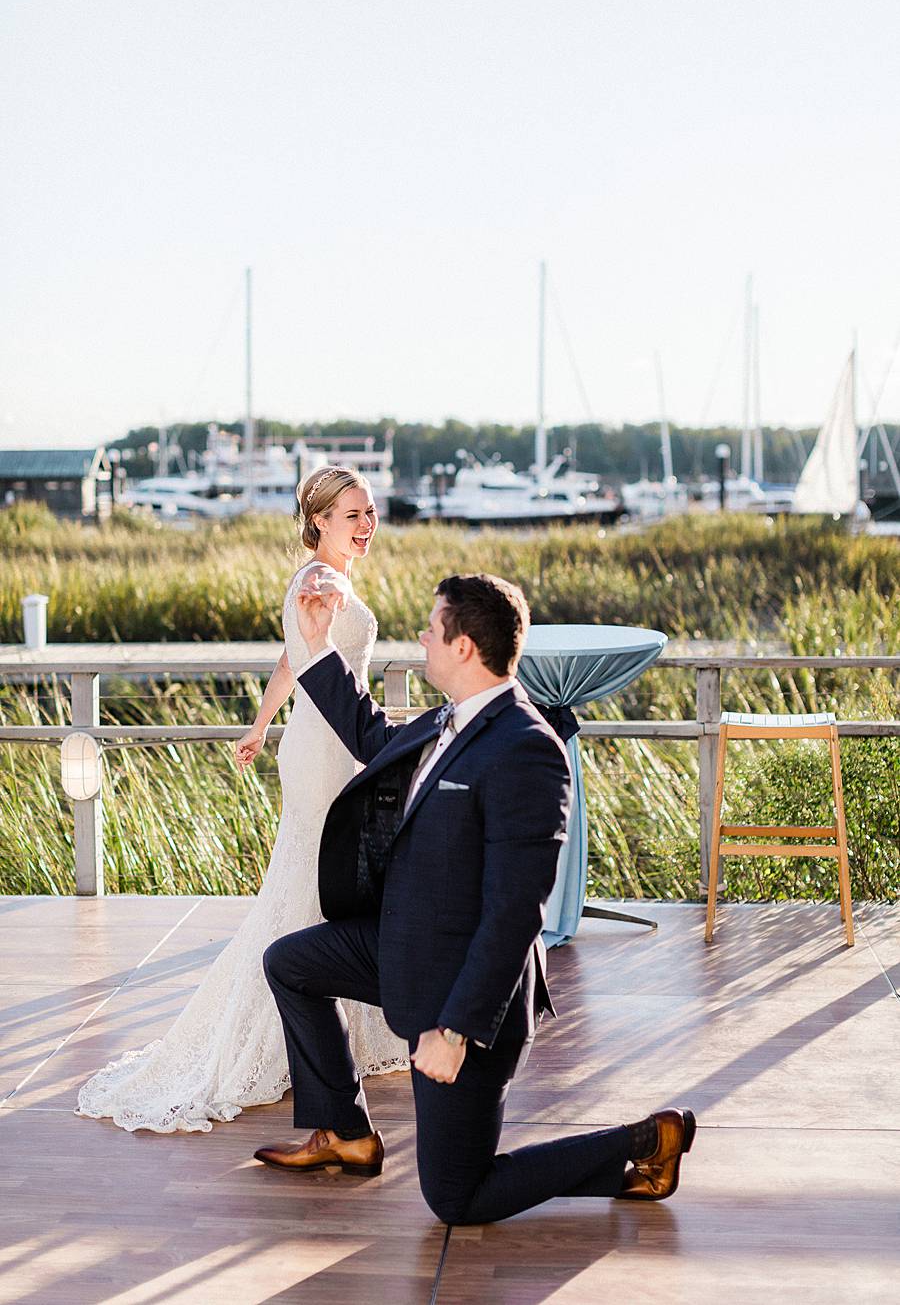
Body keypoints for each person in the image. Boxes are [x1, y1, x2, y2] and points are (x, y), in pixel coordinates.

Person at [255, 573, 695, 1222]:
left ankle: (645, 1141)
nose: (424, 637)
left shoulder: (527, 751)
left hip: (466, 993)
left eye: (434, 628)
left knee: (458, 1197)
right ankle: (346, 1131)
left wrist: (455, 1032)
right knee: (289, 963)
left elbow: (516, 913)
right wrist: (318, 648)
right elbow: (372, 736)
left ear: (464, 647)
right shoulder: (449, 722)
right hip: (406, 945)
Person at [75, 466, 407, 1134]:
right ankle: (289, 1039)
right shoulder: (323, 582)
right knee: (314, 893)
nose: (367, 525)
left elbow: (292, 662)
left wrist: (260, 723)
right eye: (352, 516)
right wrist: (277, 721)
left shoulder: (313, 580)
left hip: (324, 743)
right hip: (325, 755)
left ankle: (332, 1035)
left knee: (315, 889)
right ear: (318, 521)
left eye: (370, 512)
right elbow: (307, 646)